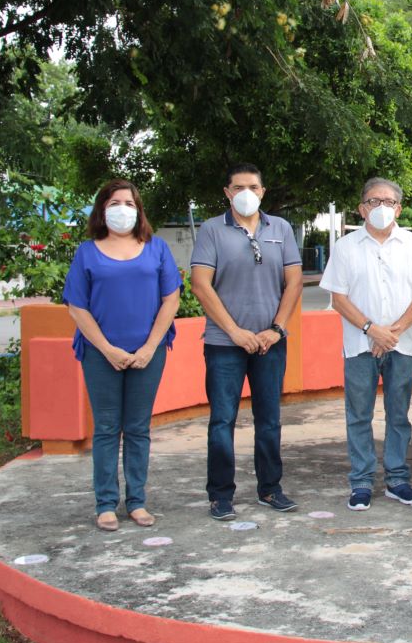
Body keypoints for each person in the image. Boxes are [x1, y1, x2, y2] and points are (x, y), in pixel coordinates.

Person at [64, 180, 181, 531]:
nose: (122, 208)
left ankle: (137, 501)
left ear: (138, 209)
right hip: (101, 354)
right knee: (106, 428)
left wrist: (148, 348)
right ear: (102, 208)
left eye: (129, 203)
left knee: (138, 428)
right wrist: (108, 349)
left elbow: (171, 300)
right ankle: (105, 504)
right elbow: (77, 307)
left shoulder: (156, 248)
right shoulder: (87, 251)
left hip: (149, 353)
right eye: (115, 202)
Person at [190, 163, 303, 520]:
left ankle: (270, 488)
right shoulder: (211, 230)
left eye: (253, 186)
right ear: (226, 192)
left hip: (271, 343)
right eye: (238, 187)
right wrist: (234, 331)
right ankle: (220, 495)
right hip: (224, 344)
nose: (246, 193)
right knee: (222, 421)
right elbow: (201, 285)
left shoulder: (281, 228)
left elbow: (294, 282)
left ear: (262, 191)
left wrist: (277, 328)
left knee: (269, 420)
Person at [321, 178, 412, 512]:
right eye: (374, 201)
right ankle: (360, 482)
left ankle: (397, 479)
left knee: (398, 414)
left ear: (399, 208)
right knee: (358, 414)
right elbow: (338, 297)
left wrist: (393, 332)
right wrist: (373, 330)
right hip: (359, 346)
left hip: (400, 346)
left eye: (388, 202)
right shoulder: (345, 247)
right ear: (361, 208)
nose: (381, 208)